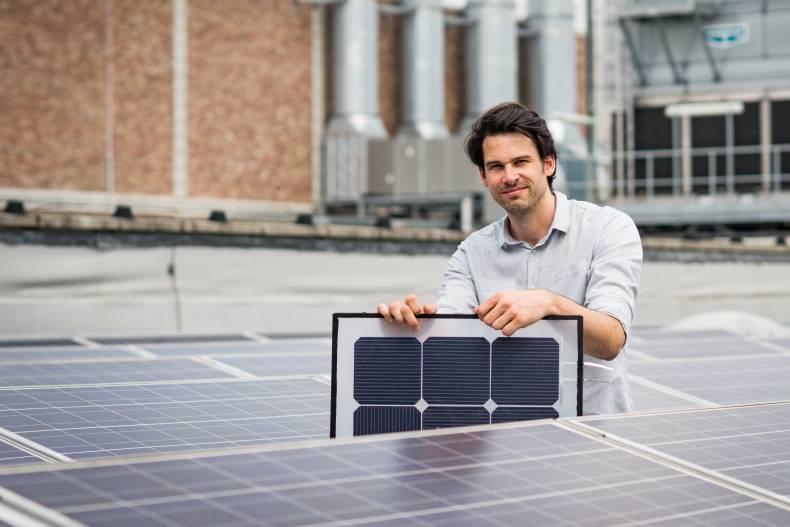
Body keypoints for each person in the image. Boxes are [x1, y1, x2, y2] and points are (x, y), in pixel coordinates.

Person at [377, 102, 642, 415]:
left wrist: (550, 304)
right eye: (497, 166)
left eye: (521, 162)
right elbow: (450, 345)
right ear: (484, 177)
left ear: (549, 164)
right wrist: (413, 325)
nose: (510, 176)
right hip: (506, 437)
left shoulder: (607, 229)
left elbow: (611, 340)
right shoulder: (471, 253)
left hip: (595, 438)